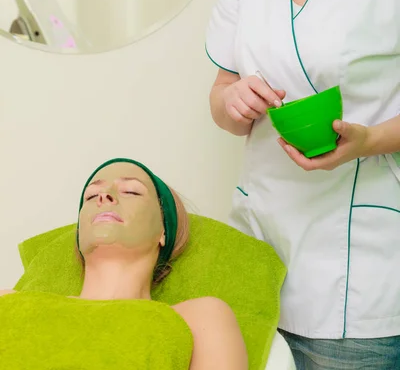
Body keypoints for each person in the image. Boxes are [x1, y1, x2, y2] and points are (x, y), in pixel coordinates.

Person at [206, 0, 400, 369]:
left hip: (359, 273)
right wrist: (233, 101)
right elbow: (220, 95)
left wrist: (369, 140)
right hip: (261, 254)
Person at [0, 158, 248, 370]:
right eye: (91, 195)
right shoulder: (9, 304)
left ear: (163, 229)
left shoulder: (200, 317)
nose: (103, 196)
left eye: (131, 191)